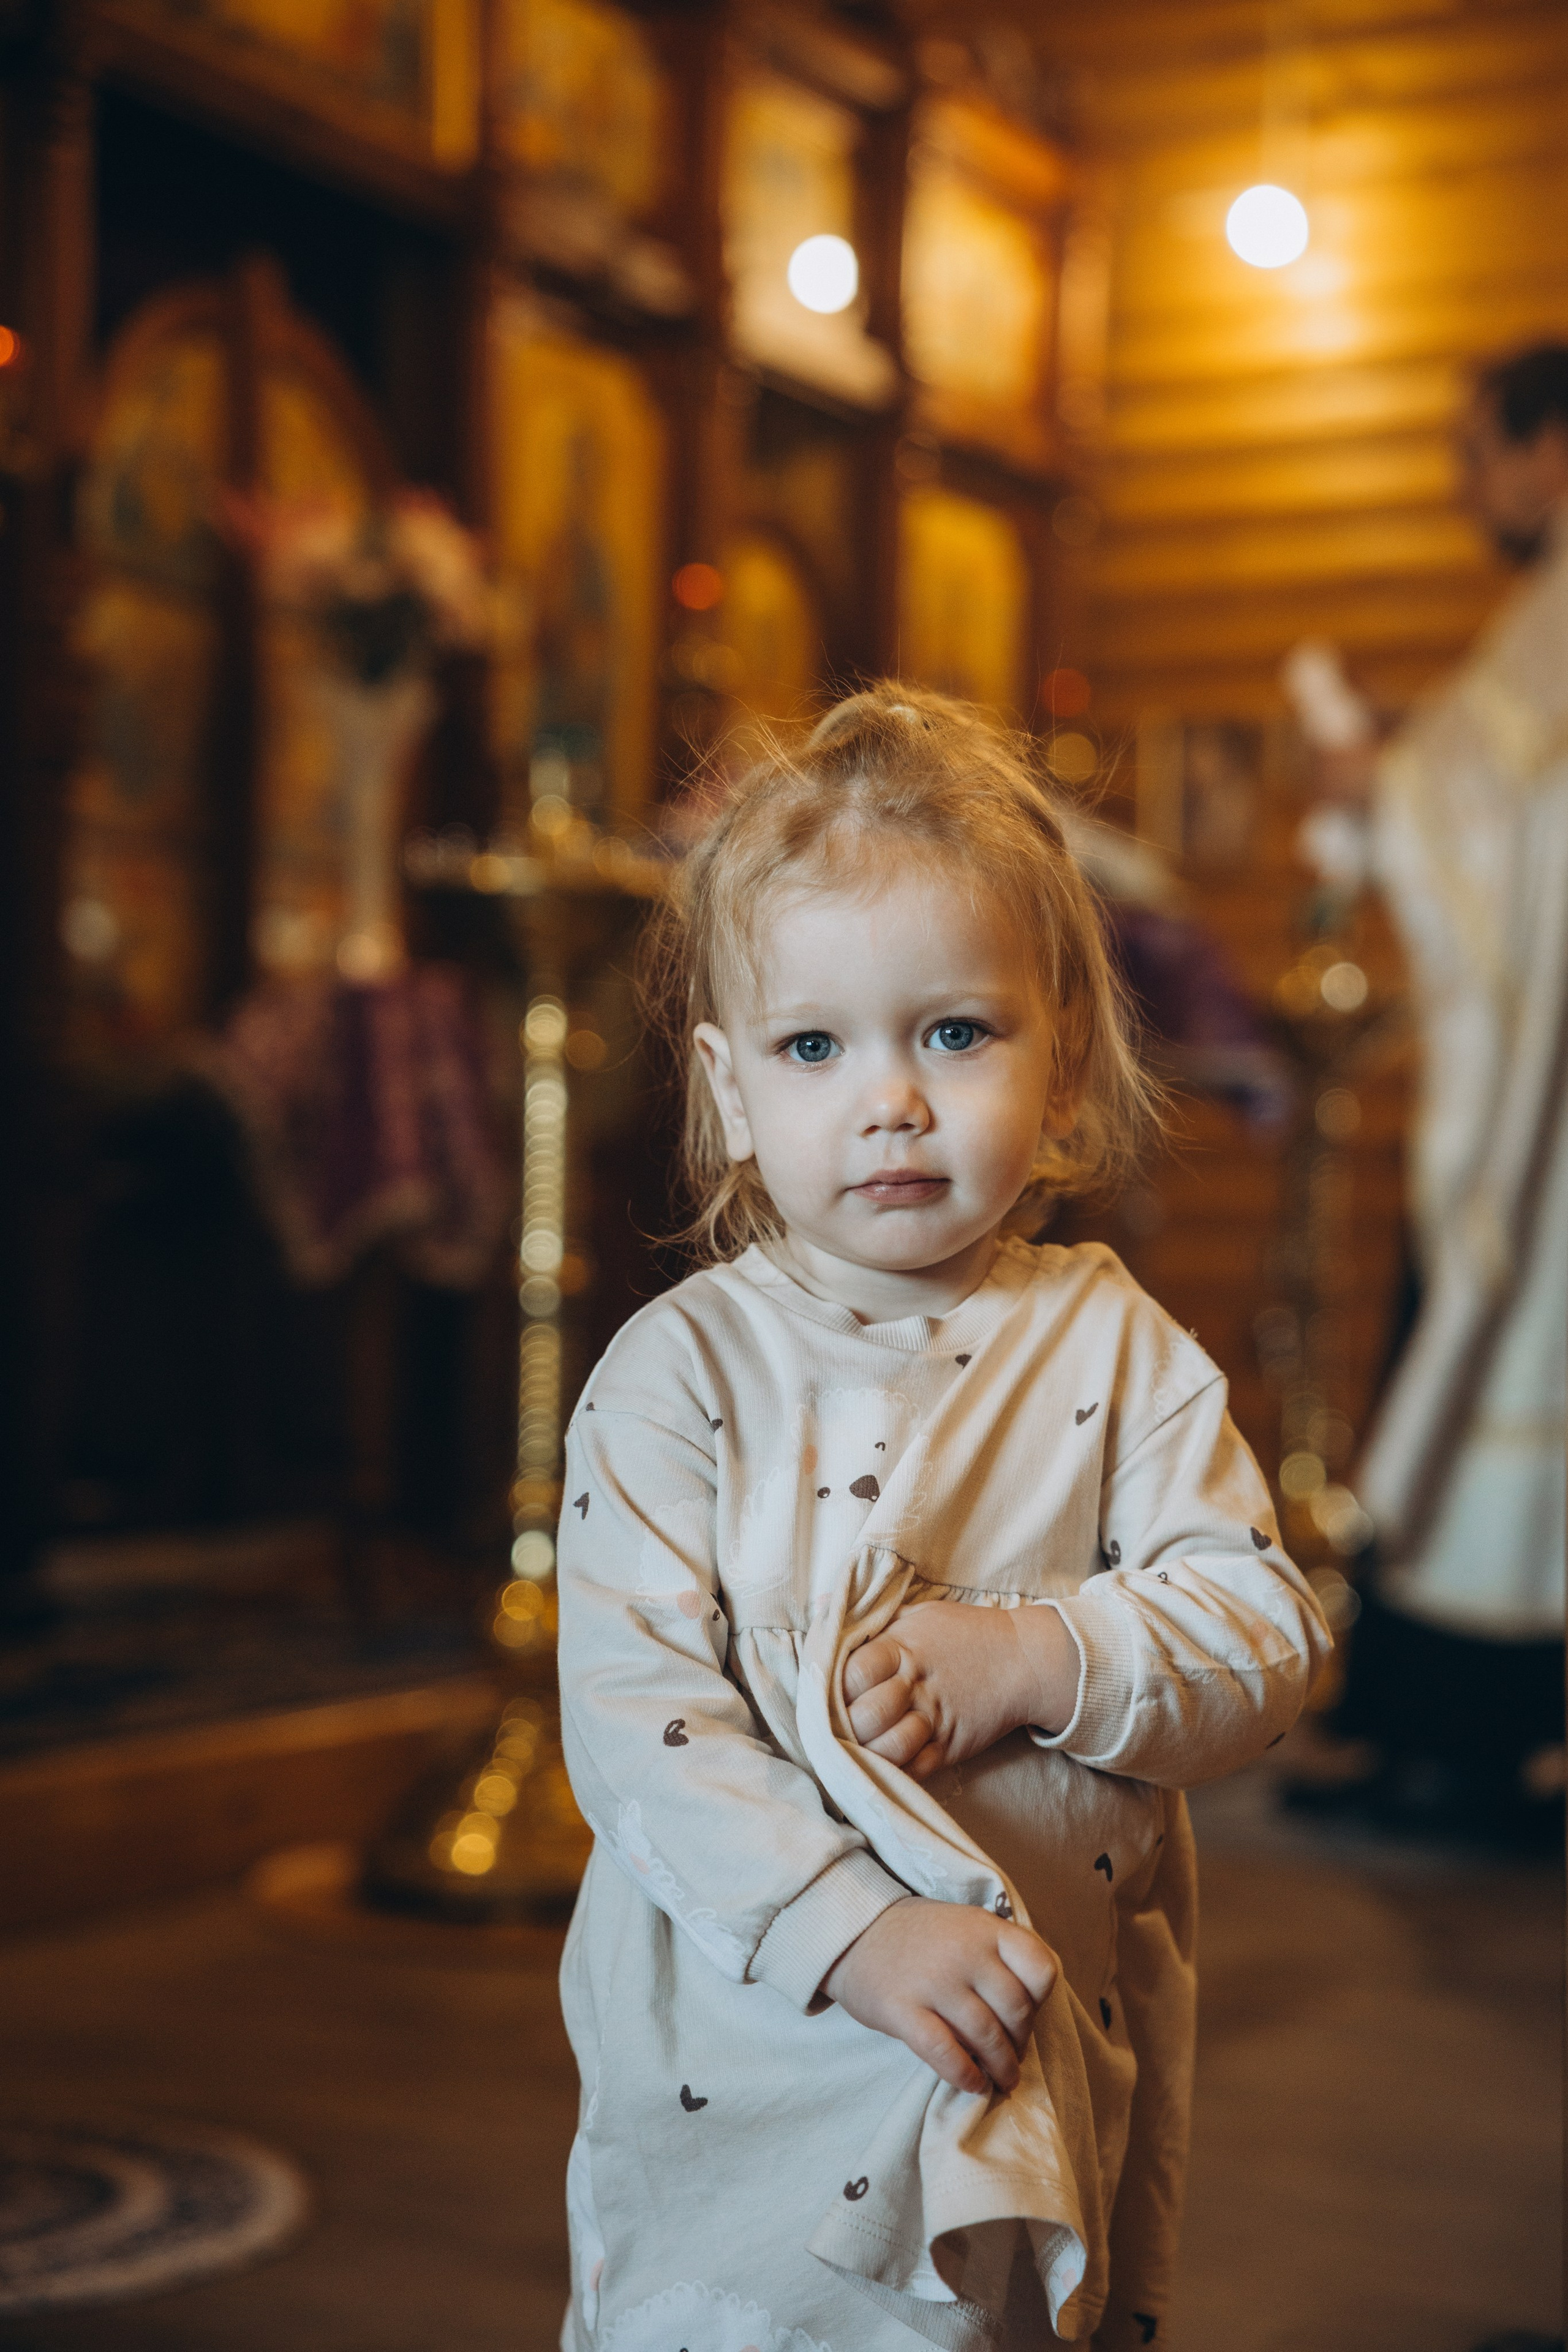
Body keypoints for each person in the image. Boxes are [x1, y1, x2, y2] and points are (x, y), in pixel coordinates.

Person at [553, 685, 1330, 2352]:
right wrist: (855, 1930)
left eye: (956, 1034)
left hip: (1031, 2062)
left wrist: (1045, 1654)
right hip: (756, 2072)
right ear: (730, 1089)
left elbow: (1264, 1640)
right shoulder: (676, 1375)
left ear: (1061, 1066)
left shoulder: (1112, 1349)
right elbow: (640, 1723)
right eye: (817, 1047)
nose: (891, 1098)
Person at [1292, 345, 1568, 1846]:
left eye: (1479, 455)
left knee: (1484, 1344)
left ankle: (1463, 1737)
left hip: (1542, 1110)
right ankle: (1445, 1727)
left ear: (1549, 449)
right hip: (1536, 1079)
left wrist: (1369, 781)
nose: (1467, 491)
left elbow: (1499, 804)